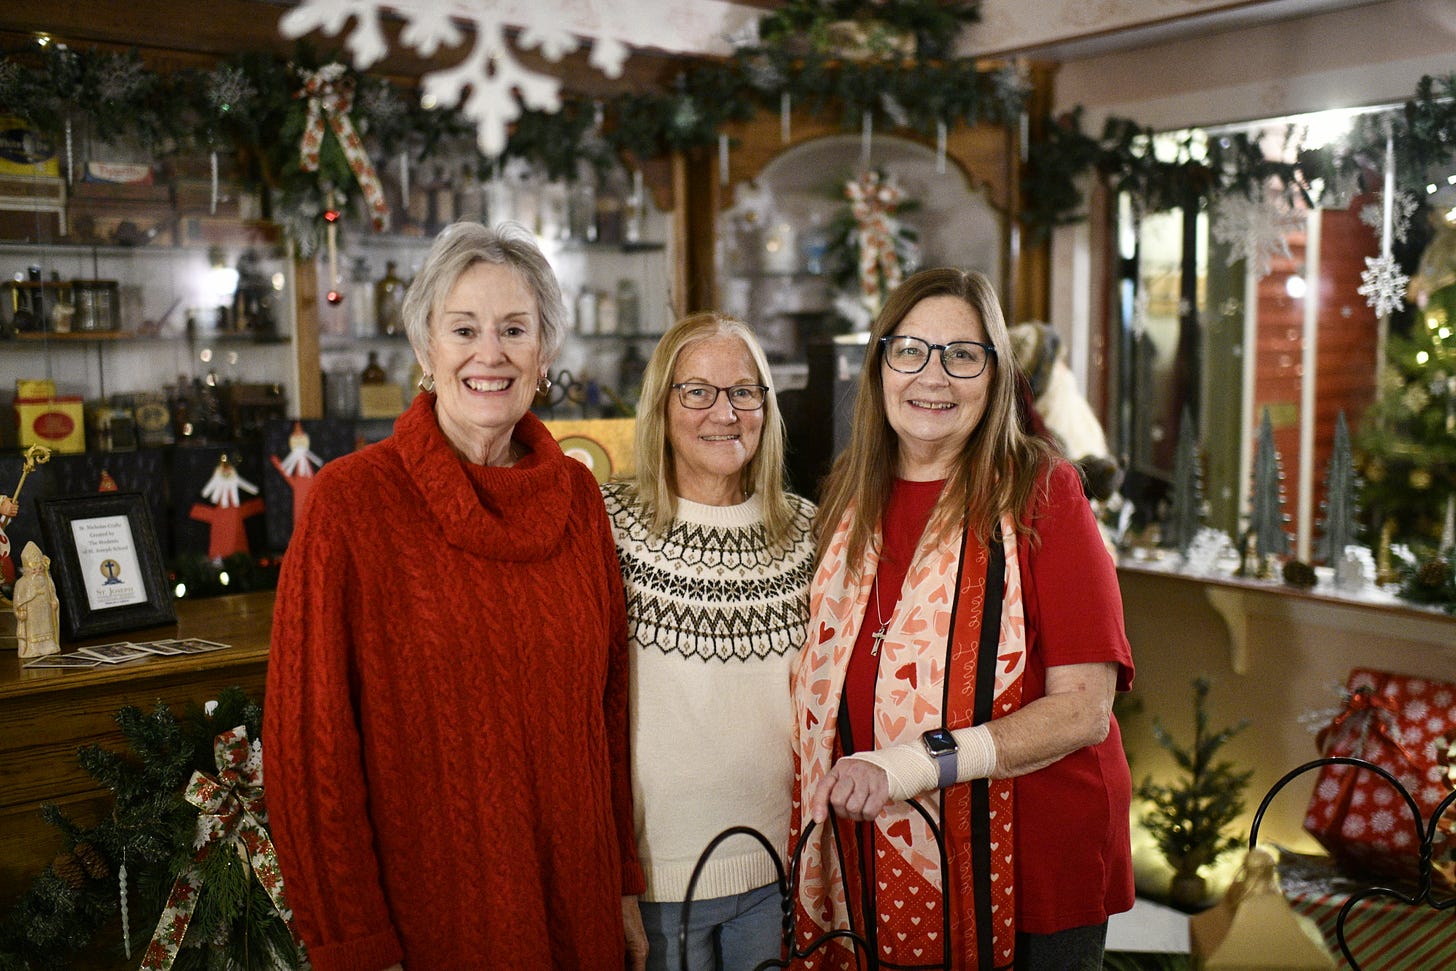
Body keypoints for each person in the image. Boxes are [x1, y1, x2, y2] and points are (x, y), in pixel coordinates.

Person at [266, 221, 647, 971]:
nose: (490, 354)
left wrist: (621, 883)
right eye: (464, 329)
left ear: (544, 353)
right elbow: (311, 751)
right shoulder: (351, 502)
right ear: (425, 349)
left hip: (579, 908)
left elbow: (605, 711)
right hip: (430, 925)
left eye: (515, 329)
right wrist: (354, 945)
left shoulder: (577, 495)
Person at [790, 267, 1135, 971]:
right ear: (880, 366)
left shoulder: (1043, 491)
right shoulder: (848, 496)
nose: (933, 376)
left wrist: (910, 764)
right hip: (874, 845)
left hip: (1034, 855)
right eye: (910, 350)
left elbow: (1083, 710)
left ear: (996, 375)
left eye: (962, 355)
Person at [602, 312, 816, 971]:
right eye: (697, 391)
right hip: (656, 880)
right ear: (661, 407)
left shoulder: (808, 530)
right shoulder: (605, 523)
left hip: (779, 868)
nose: (724, 413)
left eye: (744, 391)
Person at [14, 541, 60, 659]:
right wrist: (19, 612)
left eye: (40, 568)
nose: (38, 572)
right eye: (34, 569)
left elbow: (53, 594)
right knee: (33, 631)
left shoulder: (47, 580)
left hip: (45, 612)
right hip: (31, 614)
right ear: (26, 569)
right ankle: (33, 648)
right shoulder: (21, 583)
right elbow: (17, 602)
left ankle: (49, 645)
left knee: (47, 628)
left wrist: (55, 603)